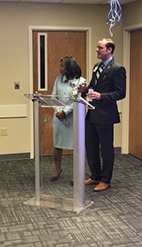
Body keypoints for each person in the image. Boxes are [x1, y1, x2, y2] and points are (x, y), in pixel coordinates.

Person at [80, 38, 126, 192]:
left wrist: (102, 96)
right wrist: (84, 90)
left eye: (100, 48)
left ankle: (106, 180)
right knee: (91, 146)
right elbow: (93, 86)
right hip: (92, 113)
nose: (97, 50)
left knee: (106, 149)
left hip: (106, 115)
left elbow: (121, 93)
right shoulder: (97, 67)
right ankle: (95, 175)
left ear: (109, 50)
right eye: (97, 47)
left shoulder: (117, 69)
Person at [50, 56, 86, 185]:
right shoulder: (58, 80)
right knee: (57, 144)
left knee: (76, 146)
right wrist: (58, 112)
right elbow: (53, 97)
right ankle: (57, 169)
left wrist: (65, 112)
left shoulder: (81, 81)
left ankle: (75, 173)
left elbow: (78, 99)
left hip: (74, 118)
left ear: (70, 67)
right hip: (59, 117)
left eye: (63, 66)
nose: (60, 69)